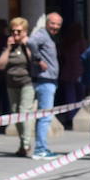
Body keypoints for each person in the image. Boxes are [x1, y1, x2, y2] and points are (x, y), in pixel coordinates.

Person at [0, 17, 36, 157]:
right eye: (13, 31)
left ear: (25, 32)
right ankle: (22, 143)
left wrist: (26, 46)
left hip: (27, 82)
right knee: (15, 113)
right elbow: (0, 65)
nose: (15, 34)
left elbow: (34, 61)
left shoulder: (29, 44)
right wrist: (8, 48)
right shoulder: (10, 45)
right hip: (11, 83)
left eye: (19, 31)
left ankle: (26, 143)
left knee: (24, 110)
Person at [28, 12, 63, 160]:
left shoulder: (49, 37)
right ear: (47, 23)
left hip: (49, 80)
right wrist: (38, 59)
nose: (55, 27)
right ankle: (40, 149)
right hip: (45, 80)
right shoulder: (42, 34)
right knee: (45, 116)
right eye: (52, 23)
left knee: (43, 116)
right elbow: (30, 42)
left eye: (58, 25)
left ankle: (41, 147)